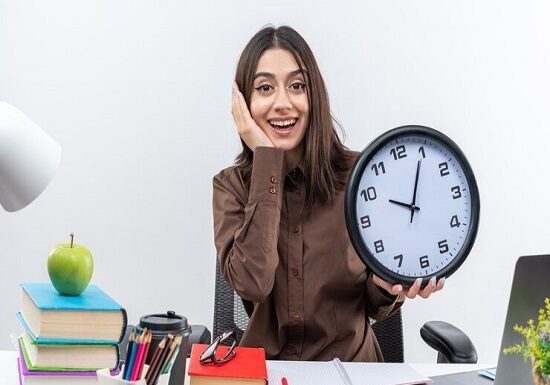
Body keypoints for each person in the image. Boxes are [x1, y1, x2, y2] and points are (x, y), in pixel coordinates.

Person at [212, 25, 444, 361]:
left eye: (297, 86)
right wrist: (268, 164)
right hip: (266, 372)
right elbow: (253, 283)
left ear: (314, 96)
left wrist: (388, 283)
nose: (282, 103)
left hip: (352, 369)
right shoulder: (231, 187)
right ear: (244, 105)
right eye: (264, 88)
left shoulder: (362, 176)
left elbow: (377, 308)